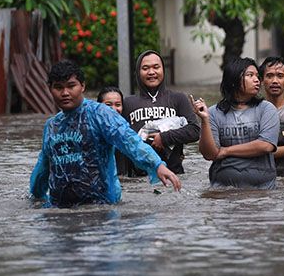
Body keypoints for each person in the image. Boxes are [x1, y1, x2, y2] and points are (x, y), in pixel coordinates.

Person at [30, 60, 181, 207]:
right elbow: (43, 167)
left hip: (101, 206)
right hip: (59, 209)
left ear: (82, 86)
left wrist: (157, 165)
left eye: (71, 86)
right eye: (58, 87)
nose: (65, 93)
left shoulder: (101, 114)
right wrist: (35, 197)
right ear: (50, 89)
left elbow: (129, 140)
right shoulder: (52, 126)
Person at [192, 57, 280, 189]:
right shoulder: (214, 113)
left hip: (263, 188)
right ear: (233, 80)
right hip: (223, 187)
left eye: (257, 76)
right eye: (250, 75)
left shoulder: (266, 109)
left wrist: (226, 151)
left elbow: (265, 145)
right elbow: (209, 154)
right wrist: (204, 120)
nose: (257, 80)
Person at [122, 50, 200, 176]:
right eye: (145, 68)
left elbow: (195, 131)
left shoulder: (178, 98)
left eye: (156, 67)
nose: (151, 72)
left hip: (174, 175)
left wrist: (164, 138)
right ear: (137, 72)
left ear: (163, 70)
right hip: (140, 177)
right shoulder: (128, 103)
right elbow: (119, 140)